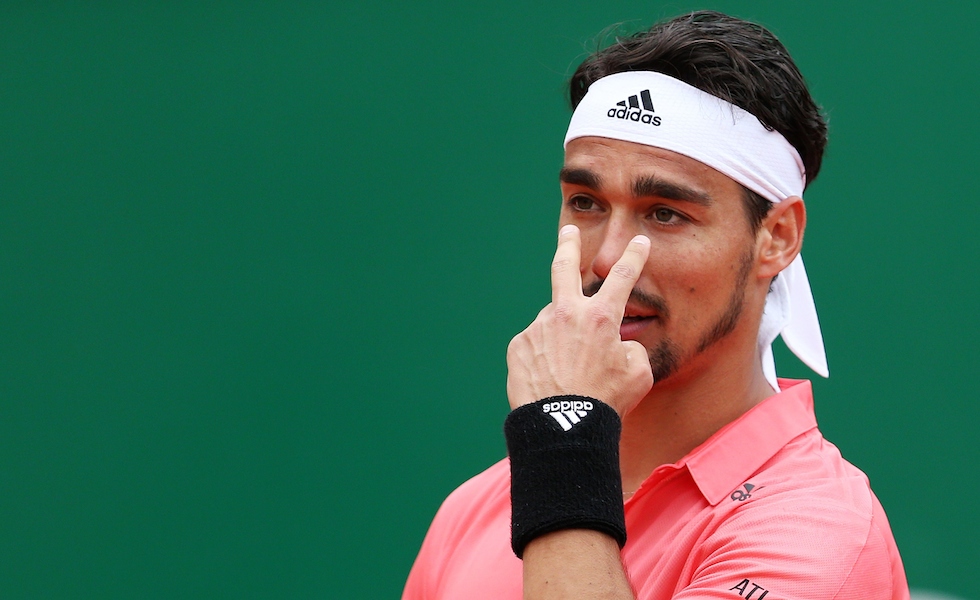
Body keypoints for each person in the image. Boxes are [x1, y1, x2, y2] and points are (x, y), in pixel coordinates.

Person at [403, 10, 909, 600]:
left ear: (776, 237)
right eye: (586, 202)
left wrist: (562, 437)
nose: (606, 258)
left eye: (665, 213)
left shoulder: (819, 534)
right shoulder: (476, 508)